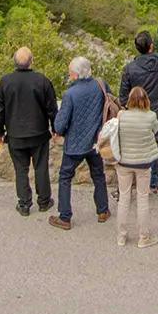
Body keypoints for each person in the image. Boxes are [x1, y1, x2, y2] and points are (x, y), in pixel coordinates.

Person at [119, 25, 158, 205]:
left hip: (137, 116)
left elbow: (123, 97)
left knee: (131, 151)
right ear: (151, 46)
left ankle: (125, 190)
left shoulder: (130, 69)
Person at [0, 47, 58, 217]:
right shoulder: (42, 81)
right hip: (39, 133)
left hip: (15, 134)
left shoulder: (5, 82)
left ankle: (24, 204)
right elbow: (52, 109)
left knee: (20, 170)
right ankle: (44, 201)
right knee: (40, 167)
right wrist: (56, 129)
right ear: (32, 61)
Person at [48, 57, 111, 230]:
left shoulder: (70, 94)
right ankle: (103, 211)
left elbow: (59, 126)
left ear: (75, 74)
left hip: (75, 144)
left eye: (70, 72)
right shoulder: (101, 85)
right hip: (96, 142)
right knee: (98, 175)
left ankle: (65, 217)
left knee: (65, 177)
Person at [101, 86, 158, 248]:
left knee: (124, 198)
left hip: (124, 162)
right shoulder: (151, 116)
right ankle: (144, 237)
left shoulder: (122, 115)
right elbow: (156, 129)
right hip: (143, 163)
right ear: (145, 100)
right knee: (142, 199)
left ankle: (121, 236)